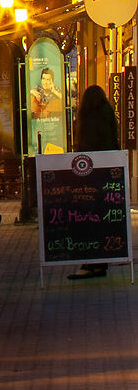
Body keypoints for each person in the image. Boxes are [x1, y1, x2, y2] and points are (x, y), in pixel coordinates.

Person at [67, 86, 122, 279]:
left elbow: (85, 149)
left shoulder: (88, 119)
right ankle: (101, 263)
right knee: (105, 220)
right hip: (109, 176)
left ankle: (90, 262)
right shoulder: (108, 114)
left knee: (89, 220)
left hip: (90, 178)